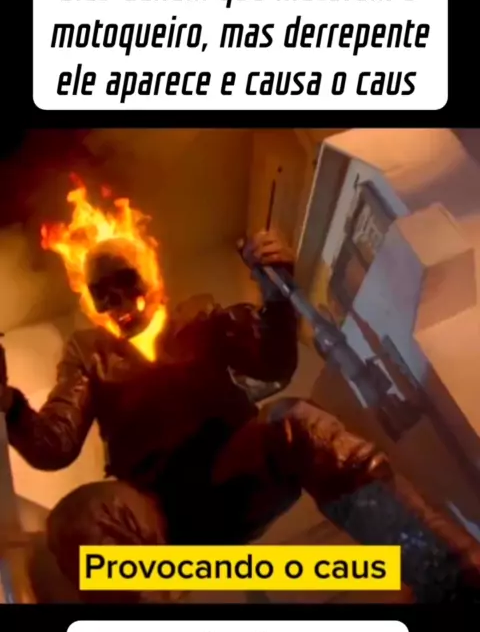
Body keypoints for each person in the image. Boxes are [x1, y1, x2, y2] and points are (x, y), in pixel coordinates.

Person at [1, 229, 480, 603]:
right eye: (101, 293)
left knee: (296, 422)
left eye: (125, 282)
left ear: (149, 274)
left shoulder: (201, 320)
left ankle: (445, 571)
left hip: (230, 473)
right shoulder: (89, 352)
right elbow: (53, 445)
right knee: (80, 516)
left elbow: (274, 364)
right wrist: (12, 406)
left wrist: (276, 292)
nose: (118, 303)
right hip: (152, 507)